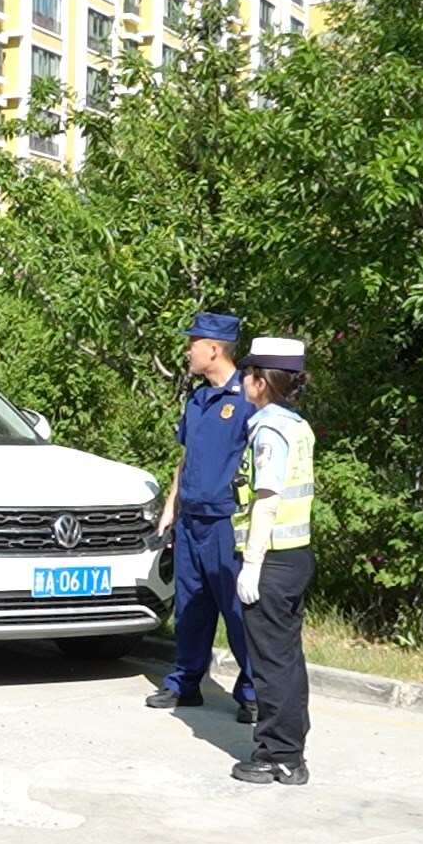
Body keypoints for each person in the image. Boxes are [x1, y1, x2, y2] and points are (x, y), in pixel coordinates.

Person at [148, 312, 257, 721]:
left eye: (192, 343)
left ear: (213, 348)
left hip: (226, 521)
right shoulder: (196, 398)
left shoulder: (247, 397)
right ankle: (186, 682)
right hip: (191, 519)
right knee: (190, 606)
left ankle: (252, 691)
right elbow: (186, 456)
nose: (187, 351)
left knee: (236, 608)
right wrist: (171, 506)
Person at [231, 337, 316, 785]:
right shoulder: (297, 425)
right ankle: (291, 748)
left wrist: (252, 563)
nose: (243, 379)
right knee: (287, 659)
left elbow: (266, 501)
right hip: (295, 554)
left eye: (249, 373)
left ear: (262, 381)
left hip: (272, 560)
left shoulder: (269, 431)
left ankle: (279, 754)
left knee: (271, 663)